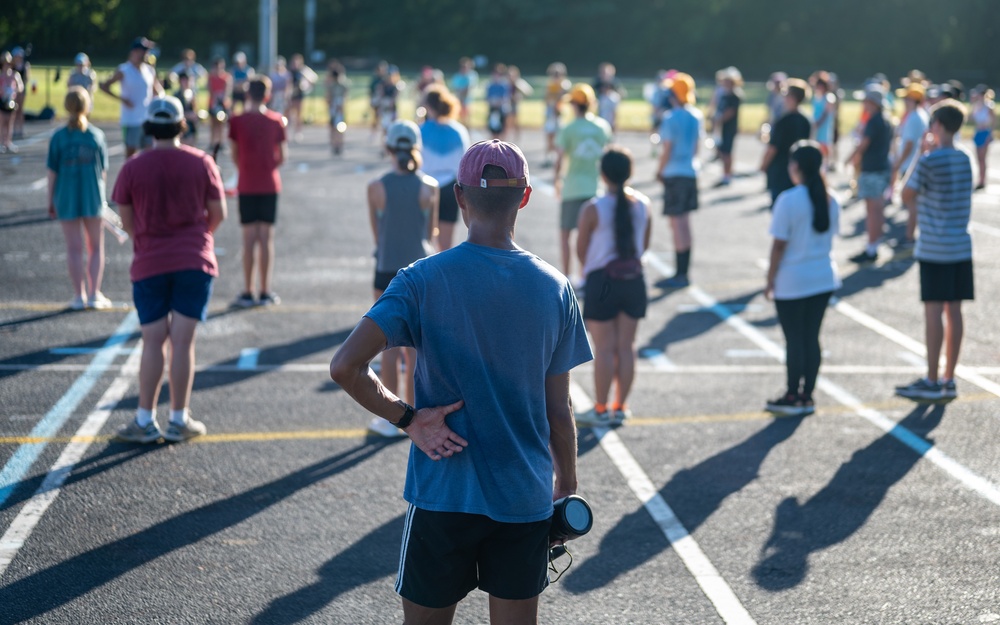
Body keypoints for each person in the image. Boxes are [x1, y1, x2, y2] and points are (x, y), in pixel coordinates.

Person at [329, 138, 591, 624]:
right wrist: (566, 487)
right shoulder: (556, 288)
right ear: (526, 197)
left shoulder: (420, 279)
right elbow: (561, 411)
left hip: (443, 494)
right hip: (524, 496)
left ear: (460, 197)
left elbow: (346, 366)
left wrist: (409, 419)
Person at [112, 96, 226, 443]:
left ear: (148, 127)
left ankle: (145, 419)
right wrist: (196, 236)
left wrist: (148, 239)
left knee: (152, 342)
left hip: (150, 261)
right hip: (193, 260)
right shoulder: (201, 161)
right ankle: (179, 418)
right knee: (182, 342)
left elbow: (126, 220)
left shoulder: (133, 166)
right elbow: (217, 212)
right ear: (181, 125)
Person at [895, 100, 975, 402]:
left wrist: (921, 154)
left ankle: (931, 378)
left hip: (934, 246)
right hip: (960, 244)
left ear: (938, 126)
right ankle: (949, 377)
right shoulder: (965, 158)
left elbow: (906, 194)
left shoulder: (930, 160)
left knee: (933, 310)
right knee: (954, 310)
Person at [365, 120, 439, 436]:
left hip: (386, 270)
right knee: (415, 351)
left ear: (389, 148)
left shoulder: (376, 187)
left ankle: (389, 418)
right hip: (419, 274)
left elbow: (377, 235)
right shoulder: (430, 187)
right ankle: (416, 411)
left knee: (389, 349)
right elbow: (431, 232)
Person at [764, 141, 841, 416]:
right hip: (822, 278)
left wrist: (770, 279)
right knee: (811, 337)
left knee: (794, 340)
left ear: (796, 166)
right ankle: (807, 394)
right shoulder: (831, 199)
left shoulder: (788, 199)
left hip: (792, 280)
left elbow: (778, 246)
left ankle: (791, 393)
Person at [576, 146, 651, 426]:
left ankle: (599, 409)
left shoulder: (593, 208)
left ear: (603, 174)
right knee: (626, 346)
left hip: (603, 282)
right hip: (634, 280)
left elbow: (581, 250)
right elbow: (644, 245)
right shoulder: (643, 204)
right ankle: (621, 406)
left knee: (605, 349)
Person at [46, 87, 110, 310]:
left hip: (67, 196)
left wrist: (50, 200)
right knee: (95, 247)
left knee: (74, 248)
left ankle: (79, 296)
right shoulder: (96, 136)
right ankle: (93, 294)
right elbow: (103, 173)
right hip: (92, 196)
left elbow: (52, 172)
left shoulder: (59, 137)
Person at [229, 77, 288, 307]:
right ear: (267, 95)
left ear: (247, 95)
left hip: (246, 184)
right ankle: (265, 290)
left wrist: (246, 167)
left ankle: (247, 290)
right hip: (269, 184)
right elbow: (282, 156)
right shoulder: (276, 121)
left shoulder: (237, 120)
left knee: (248, 239)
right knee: (266, 239)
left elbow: (234, 154)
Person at [555, 83, 613, 284]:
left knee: (565, 235)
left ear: (574, 105)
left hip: (572, 187)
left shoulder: (569, 128)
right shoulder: (602, 126)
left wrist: (556, 180)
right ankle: (584, 274)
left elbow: (560, 159)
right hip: (593, 188)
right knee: (588, 236)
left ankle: (566, 276)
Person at [656, 72, 703, 288]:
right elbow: (696, 148)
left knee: (676, 223)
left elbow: (667, 148)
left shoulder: (670, 117)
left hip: (674, 172)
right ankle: (685, 270)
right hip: (690, 171)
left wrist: (660, 170)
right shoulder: (696, 115)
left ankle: (679, 273)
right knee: (685, 222)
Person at [845, 87, 894, 264]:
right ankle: (875, 245)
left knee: (872, 211)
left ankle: (871, 248)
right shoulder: (886, 120)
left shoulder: (874, 121)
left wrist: (849, 160)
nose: (863, 104)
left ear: (873, 103)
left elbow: (863, 145)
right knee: (878, 210)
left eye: (866, 101)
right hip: (882, 168)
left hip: (872, 170)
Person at [420, 85, 470, 251]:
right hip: (450, 188)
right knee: (446, 245)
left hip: (426, 187)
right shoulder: (459, 131)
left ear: (428, 106)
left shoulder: (421, 130)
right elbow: (463, 163)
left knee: (425, 241)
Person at [99, 37, 163, 159]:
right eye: (143, 50)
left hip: (147, 119)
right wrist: (122, 99)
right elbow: (104, 86)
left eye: (147, 51)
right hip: (131, 119)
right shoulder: (124, 69)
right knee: (131, 154)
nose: (146, 54)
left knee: (149, 153)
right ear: (134, 51)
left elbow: (158, 91)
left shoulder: (149, 70)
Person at [760, 78, 812, 207]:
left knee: (779, 208)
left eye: (786, 95)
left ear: (792, 98)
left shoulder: (783, 121)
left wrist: (763, 165)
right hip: (799, 170)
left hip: (780, 170)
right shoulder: (806, 120)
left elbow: (773, 147)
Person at [890, 82, 929, 241]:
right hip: (912, 163)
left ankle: (910, 235)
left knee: (911, 201)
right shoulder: (917, 115)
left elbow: (909, 144)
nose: (904, 101)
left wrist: (898, 163)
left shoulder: (914, 118)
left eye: (907, 98)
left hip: (910, 164)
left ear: (914, 100)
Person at [715, 66, 742, 186]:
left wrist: (719, 119)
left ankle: (728, 175)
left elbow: (730, 112)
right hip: (721, 127)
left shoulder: (735, 96)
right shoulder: (724, 95)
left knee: (727, 152)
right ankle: (726, 173)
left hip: (729, 127)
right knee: (721, 150)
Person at [542, 62, 570, 167]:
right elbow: (546, 99)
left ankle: (559, 158)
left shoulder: (564, 85)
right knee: (549, 136)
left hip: (560, 114)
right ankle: (548, 157)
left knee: (560, 137)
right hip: (550, 114)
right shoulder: (550, 86)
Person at [205, 56, 232, 162]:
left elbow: (227, 90)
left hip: (222, 104)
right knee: (213, 124)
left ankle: (221, 143)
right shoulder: (211, 77)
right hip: (213, 103)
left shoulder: (226, 77)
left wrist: (221, 99)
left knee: (221, 124)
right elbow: (209, 88)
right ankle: (212, 142)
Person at [970, 85, 995, 190]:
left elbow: (993, 122)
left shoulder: (989, 106)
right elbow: (971, 119)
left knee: (982, 158)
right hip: (978, 131)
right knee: (978, 158)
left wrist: (990, 134)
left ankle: (982, 180)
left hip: (985, 132)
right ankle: (980, 179)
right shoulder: (976, 106)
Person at [288, 54, 318, 140]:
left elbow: (313, 78)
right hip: (290, 96)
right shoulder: (289, 72)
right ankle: (288, 131)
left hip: (298, 95)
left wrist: (305, 83)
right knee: (289, 114)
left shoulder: (303, 71)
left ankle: (298, 132)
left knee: (298, 114)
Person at [810, 72, 836, 168]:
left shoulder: (828, 97)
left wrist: (818, 123)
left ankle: (827, 163)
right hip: (816, 124)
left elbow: (826, 113)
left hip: (823, 125)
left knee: (824, 143)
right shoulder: (817, 97)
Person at [0, 51, 24, 153]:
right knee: (2, 123)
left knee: (10, 122)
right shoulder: (1, 76)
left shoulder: (15, 75)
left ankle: (8, 142)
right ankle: (1, 143)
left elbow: (20, 87)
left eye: (8, 63)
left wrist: (13, 91)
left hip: (11, 101)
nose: (7, 65)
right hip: (1, 101)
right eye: (5, 63)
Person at [325, 59, 350, 155]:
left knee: (340, 127)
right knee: (332, 127)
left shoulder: (343, 85)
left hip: (340, 109)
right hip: (333, 109)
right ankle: (333, 145)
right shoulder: (331, 86)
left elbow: (345, 97)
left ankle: (340, 144)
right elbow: (328, 97)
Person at [593, 62, 625, 134]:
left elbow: (621, 93)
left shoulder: (614, 82)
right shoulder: (597, 82)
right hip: (600, 105)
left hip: (610, 105)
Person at [485, 63, 512, 139]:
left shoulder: (503, 85)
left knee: (501, 129)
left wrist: (498, 102)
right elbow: (487, 97)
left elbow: (505, 98)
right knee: (492, 128)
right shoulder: (490, 85)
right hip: (493, 109)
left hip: (501, 109)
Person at [506, 65, 532, 140]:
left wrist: (519, 95)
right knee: (507, 120)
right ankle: (507, 136)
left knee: (516, 121)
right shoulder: (507, 83)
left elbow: (527, 91)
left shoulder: (519, 83)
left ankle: (516, 137)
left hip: (514, 103)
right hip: (508, 103)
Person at [450, 56, 478, 126]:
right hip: (459, 97)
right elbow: (455, 87)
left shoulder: (471, 75)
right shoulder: (457, 76)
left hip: (467, 98)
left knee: (467, 115)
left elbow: (470, 87)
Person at [174, 71, 200, 145]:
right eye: (184, 80)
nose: (187, 82)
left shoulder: (191, 94)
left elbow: (195, 108)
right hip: (182, 126)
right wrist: (188, 115)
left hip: (191, 126)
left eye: (188, 80)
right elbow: (175, 113)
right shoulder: (177, 95)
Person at [10, 46, 29, 141]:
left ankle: (20, 129)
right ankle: (13, 129)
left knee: (20, 110)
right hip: (13, 91)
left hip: (21, 90)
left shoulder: (25, 65)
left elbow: (26, 79)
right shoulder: (12, 66)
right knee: (13, 110)